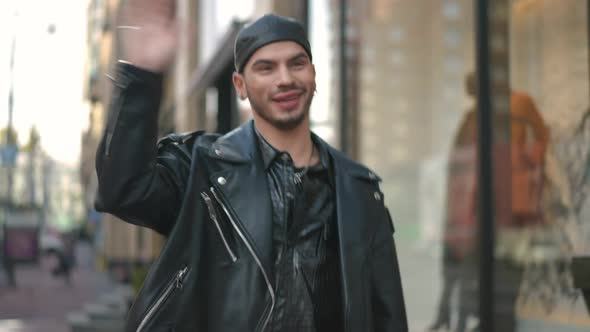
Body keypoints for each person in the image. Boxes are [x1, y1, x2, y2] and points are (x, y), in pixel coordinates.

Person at [95, 1, 408, 331]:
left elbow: (387, 315)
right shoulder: (202, 169)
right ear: (240, 85)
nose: (285, 78)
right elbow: (122, 190)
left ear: (314, 75)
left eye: (297, 64)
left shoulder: (359, 190)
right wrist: (142, 77)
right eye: (266, 68)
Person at [429, 72, 549, 332]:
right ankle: (457, 317)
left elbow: (541, 138)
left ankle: (489, 321)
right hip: (475, 206)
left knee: (504, 270)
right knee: (469, 268)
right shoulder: (473, 117)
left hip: (508, 204)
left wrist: (526, 162)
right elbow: (461, 161)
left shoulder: (519, 103)